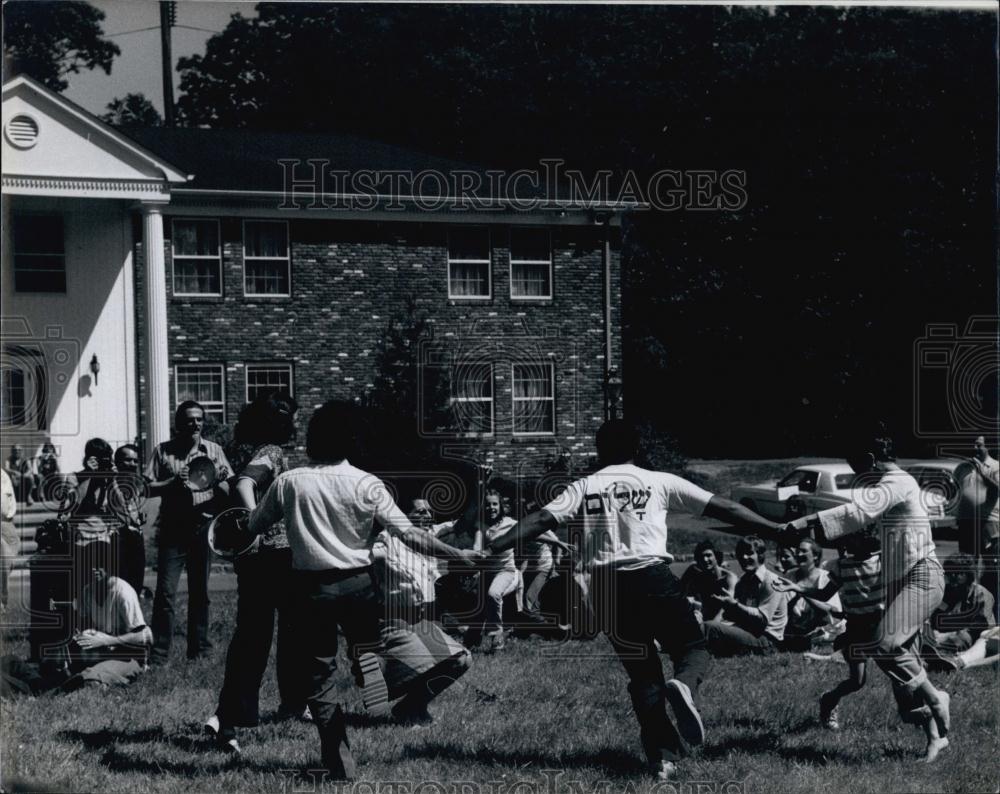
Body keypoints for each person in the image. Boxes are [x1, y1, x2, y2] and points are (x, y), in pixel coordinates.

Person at [487, 418, 785, 781]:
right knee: (693, 647)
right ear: (637, 448)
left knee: (643, 674)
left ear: (600, 450)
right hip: (650, 576)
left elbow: (540, 519)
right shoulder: (658, 481)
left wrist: (495, 544)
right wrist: (775, 529)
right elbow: (724, 507)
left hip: (607, 588)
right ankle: (684, 686)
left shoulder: (585, 486)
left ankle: (661, 760)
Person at [245, 399, 483, 780]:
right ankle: (373, 674)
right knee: (370, 648)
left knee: (319, 676)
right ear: (352, 440)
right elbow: (409, 534)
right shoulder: (367, 483)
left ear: (312, 440)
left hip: (310, 588)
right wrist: (458, 554)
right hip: (359, 585)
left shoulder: (289, 482)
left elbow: (254, 526)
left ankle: (339, 758)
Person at [786, 423, 951, 763]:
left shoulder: (899, 482)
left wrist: (804, 523)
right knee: (903, 677)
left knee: (887, 645)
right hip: (901, 585)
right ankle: (935, 737)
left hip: (922, 576)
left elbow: (857, 512)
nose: (857, 475)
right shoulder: (891, 487)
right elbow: (860, 519)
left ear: (872, 459)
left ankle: (937, 698)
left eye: (857, 466)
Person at [203, 393, 310, 753]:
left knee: (256, 637)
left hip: (255, 559)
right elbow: (245, 483)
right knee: (270, 638)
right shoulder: (272, 452)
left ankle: (237, 716)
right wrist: (255, 523)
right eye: (293, 418)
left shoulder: (243, 448)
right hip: (274, 556)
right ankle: (230, 716)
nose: (297, 424)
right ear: (280, 422)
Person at [146, 400, 233, 664]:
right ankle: (160, 655)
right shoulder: (163, 451)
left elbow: (232, 486)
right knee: (165, 593)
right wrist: (173, 482)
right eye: (188, 419)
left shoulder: (215, 450)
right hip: (173, 529)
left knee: (200, 592)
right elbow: (147, 487)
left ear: (203, 422)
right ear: (178, 423)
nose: (194, 424)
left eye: (198, 419)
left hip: (202, 527)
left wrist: (220, 482)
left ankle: (200, 652)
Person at [774, 529, 883, 736]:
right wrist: (797, 588)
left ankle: (914, 712)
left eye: (852, 537)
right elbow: (824, 594)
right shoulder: (842, 567)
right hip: (857, 630)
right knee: (857, 681)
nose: (847, 544)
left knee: (899, 673)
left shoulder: (883, 562)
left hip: (882, 627)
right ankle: (829, 700)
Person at [62, 557, 153, 689]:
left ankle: (93, 679)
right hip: (103, 652)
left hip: (129, 655)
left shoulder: (122, 591)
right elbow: (82, 623)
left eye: (100, 565)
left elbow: (145, 636)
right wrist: (84, 634)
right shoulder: (88, 591)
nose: (95, 569)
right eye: (90, 565)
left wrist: (107, 641)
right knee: (55, 666)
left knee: (91, 678)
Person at [703, 536, 789, 656]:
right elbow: (739, 617)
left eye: (749, 553)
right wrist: (727, 608)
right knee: (706, 626)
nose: (744, 558)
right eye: (740, 554)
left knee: (711, 627)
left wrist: (735, 605)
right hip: (748, 633)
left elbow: (762, 620)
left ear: (760, 555)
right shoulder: (743, 581)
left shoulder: (771, 581)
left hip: (767, 642)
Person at [917, 552, 995, 672]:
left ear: (968, 575)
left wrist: (948, 636)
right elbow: (929, 615)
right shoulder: (944, 592)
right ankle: (930, 655)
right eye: (949, 573)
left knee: (961, 638)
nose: (953, 576)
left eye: (958, 573)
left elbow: (979, 631)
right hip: (938, 635)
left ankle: (937, 657)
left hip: (967, 638)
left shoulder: (981, 595)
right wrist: (931, 631)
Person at [781, 537, 844, 651]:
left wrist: (802, 591)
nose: (799, 554)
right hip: (794, 630)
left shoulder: (825, 577)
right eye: (797, 551)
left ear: (815, 556)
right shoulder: (789, 576)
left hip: (822, 630)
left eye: (804, 551)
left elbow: (829, 612)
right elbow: (782, 608)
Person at [109, 444, 148, 595]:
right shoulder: (109, 481)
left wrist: (139, 514)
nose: (132, 464)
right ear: (117, 462)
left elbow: (132, 506)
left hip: (135, 536)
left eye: (135, 461)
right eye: (128, 460)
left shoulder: (136, 483)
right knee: (120, 586)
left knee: (136, 584)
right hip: (117, 538)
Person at [679, 540, 738, 623]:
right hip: (707, 621)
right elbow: (680, 590)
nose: (705, 559)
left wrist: (711, 626)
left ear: (716, 556)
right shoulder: (700, 576)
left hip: (726, 621)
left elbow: (727, 607)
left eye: (708, 555)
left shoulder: (729, 578)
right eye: (701, 557)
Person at [1, 469, 17, 612]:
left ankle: (2, 602)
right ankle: (1, 603)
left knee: (6, 563)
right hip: (4, 523)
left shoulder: (2, 475)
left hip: (6, 524)